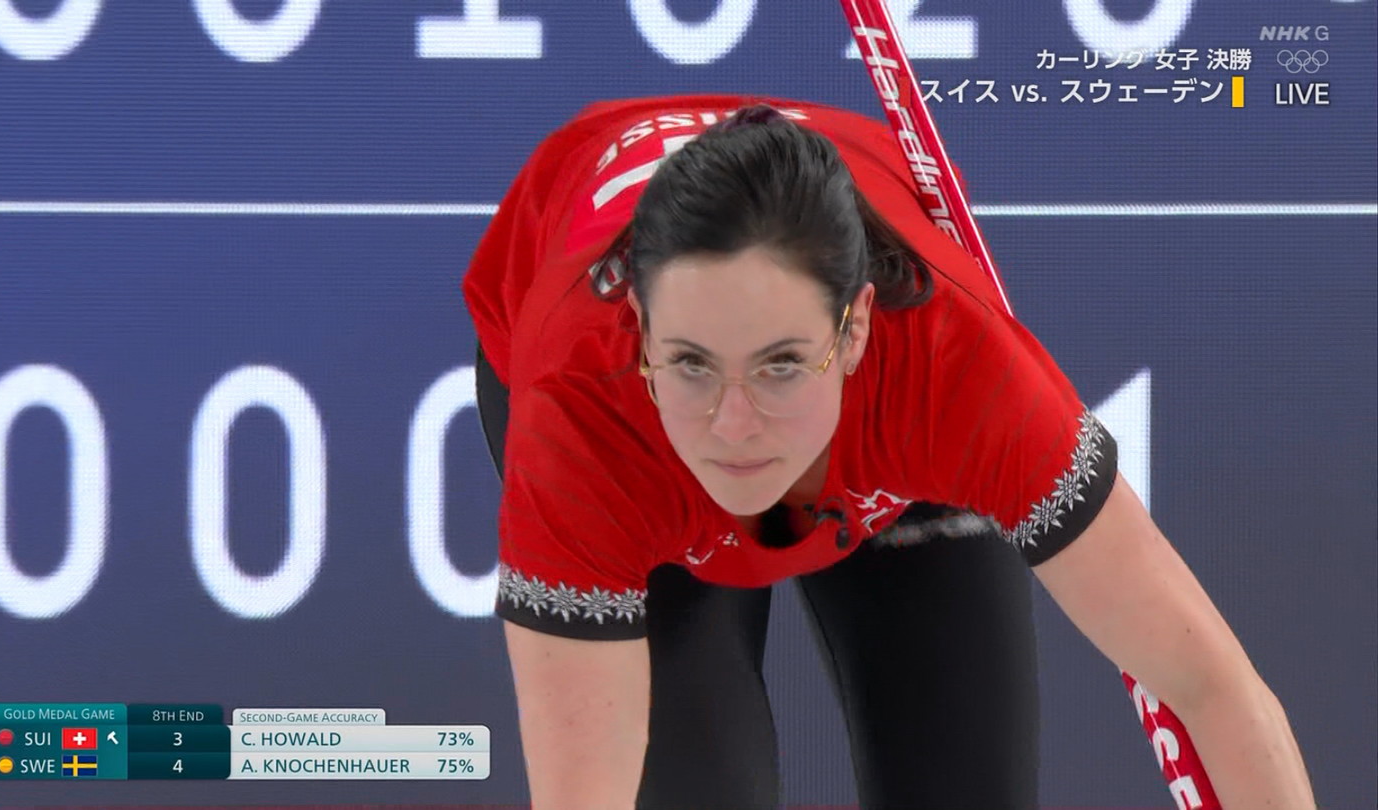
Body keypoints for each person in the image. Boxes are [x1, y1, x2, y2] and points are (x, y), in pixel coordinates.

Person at [461, 95, 1314, 810]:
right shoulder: (579, 411)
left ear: (858, 327)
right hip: (635, 457)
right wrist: (730, 383)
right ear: (642, 329)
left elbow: (1215, 690)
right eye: (692, 364)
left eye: (781, 364)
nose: (733, 424)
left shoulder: (955, 366)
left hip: (893, 432)